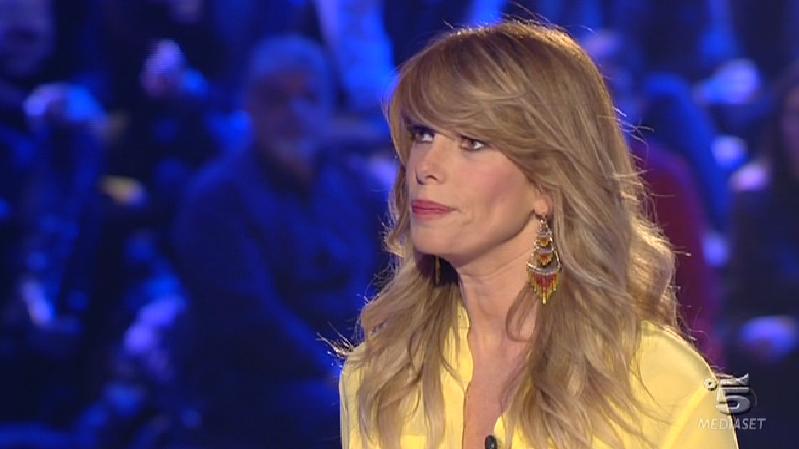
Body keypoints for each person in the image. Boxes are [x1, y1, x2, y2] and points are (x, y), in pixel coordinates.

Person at [338, 21, 739, 449]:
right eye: (423, 134)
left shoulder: (662, 388)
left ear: (548, 183)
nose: (425, 167)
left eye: (471, 142)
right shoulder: (380, 375)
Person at [173, 36, 386, 448]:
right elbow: (248, 319)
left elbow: (394, 278)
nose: (294, 112)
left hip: (354, 363)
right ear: (250, 106)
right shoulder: (217, 198)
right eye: (277, 98)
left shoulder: (356, 184)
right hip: (260, 382)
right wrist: (331, 371)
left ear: (328, 108)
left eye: (309, 98)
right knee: (357, 419)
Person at [725, 63, 799, 449]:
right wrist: (748, 332)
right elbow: (732, 307)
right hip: (769, 383)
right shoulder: (753, 201)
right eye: (794, 115)